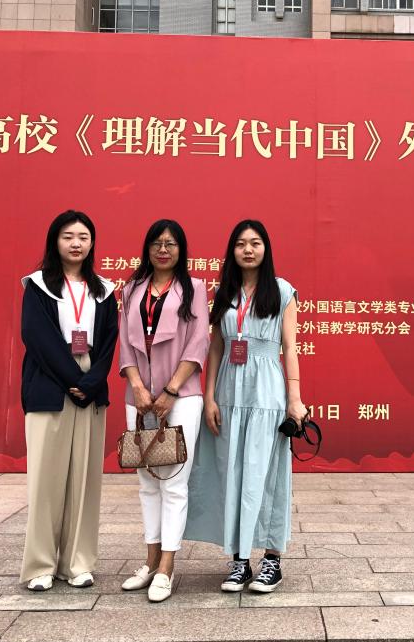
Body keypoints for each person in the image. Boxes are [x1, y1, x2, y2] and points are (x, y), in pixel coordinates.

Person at [184, 219, 306, 594]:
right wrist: (208, 397)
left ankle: (272, 560)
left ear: (266, 249)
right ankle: (239, 561)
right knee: (231, 472)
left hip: (266, 391)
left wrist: (295, 398)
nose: (248, 250)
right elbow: (216, 347)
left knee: (266, 474)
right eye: (240, 244)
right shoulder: (225, 292)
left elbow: (290, 347)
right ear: (232, 251)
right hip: (229, 392)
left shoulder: (282, 291)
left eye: (255, 243)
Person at [19, 210, 118, 592]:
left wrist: (91, 380)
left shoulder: (103, 289)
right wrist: (75, 380)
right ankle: (40, 565)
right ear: (54, 241)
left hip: (90, 387)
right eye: (68, 236)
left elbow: (109, 340)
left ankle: (77, 563)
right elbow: (37, 337)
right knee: (46, 481)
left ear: (92, 243)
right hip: (50, 384)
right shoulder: (38, 286)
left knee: (85, 480)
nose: (76, 243)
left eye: (83, 237)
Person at [118, 220, 210, 603]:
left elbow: (199, 342)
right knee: (146, 482)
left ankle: (167, 567)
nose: (163, 249)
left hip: (182, 396)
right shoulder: (131, 289)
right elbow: (125, 344)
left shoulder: (195, 288)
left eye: (170, 243)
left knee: (173, 482)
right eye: (157, 243)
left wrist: (171, 389)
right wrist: (138, 387)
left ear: (181, 249)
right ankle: (150, 560)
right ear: (147, 248)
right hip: (139, 398)